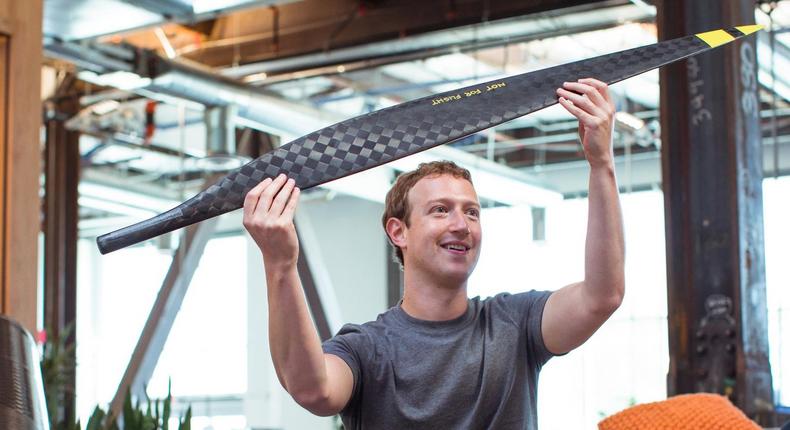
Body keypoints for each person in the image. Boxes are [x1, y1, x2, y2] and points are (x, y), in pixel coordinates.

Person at [242, 78, 625, 429]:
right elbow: (314, 391)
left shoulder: (515, 325)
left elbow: (602, 296)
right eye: (441, 210)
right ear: (398, 231)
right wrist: (280, 264)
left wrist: (601, 163)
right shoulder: (367, 349)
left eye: (471, 212)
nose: (461, 224)